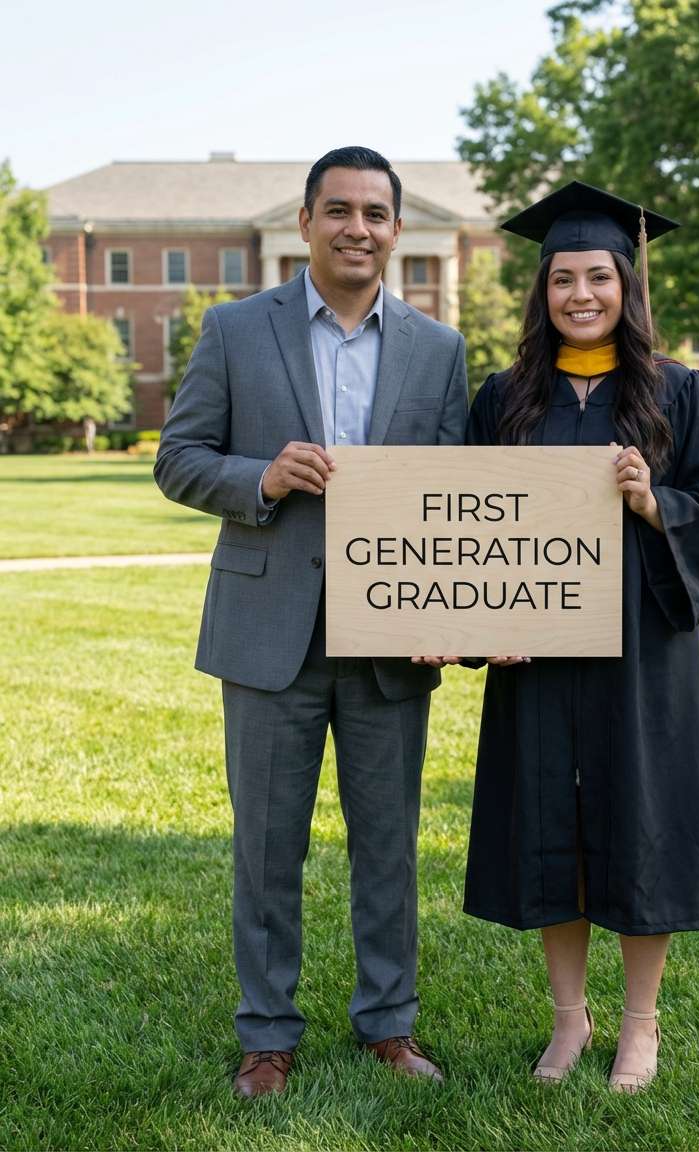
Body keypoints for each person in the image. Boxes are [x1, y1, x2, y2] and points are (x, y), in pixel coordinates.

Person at [155, 146, 468, 1097]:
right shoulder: (235, 329)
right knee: (266, 849)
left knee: (389, 846)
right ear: (305, 223)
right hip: (268, 632)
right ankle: (267, 1037)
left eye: (374, 213)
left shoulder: (439, 350)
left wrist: (452, 608)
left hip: (390, 642)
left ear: (397, 230)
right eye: (338, 210)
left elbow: (452, 497)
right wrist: (261, 477)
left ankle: (389, 1025)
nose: (356, 229)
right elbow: (178, 458)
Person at [462, 181, 699, 1092]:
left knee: (640, 821)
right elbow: (464, 527)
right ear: (541, 290)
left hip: (642, 649)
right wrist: (475, 624)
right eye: (562, 279)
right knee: (549, 821)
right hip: (537, 650)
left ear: (626, 285)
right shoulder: (505, 399)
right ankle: (568, 1021)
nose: (580, 294)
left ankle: (639, 1026)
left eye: (598, 276)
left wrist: (654, 502)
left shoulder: (679, 392)